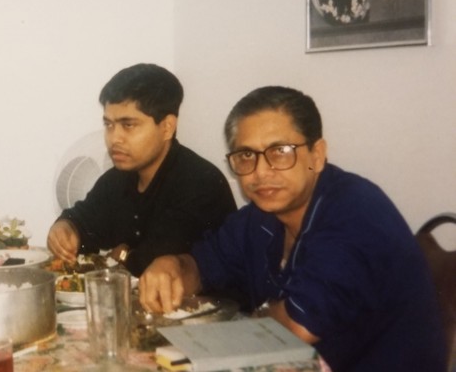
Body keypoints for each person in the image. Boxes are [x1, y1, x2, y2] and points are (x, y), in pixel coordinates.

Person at [139, 86, 448, 371]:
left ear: (317, 154)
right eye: (246, 156)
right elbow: (202, 265)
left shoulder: (355, 211)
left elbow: (299, 326)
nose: (261, 172)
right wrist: (173, 266)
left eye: (280, 152)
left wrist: (250, 320)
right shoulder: (259, 218)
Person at [47, 63, 237, 277]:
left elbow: (154, 261)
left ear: (167, 127)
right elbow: (85, 220)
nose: (114, 138)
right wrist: (66, 227)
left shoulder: (200, 183)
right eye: (109, 125)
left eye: (128, 125)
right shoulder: (118, 178)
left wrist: (124, 255)